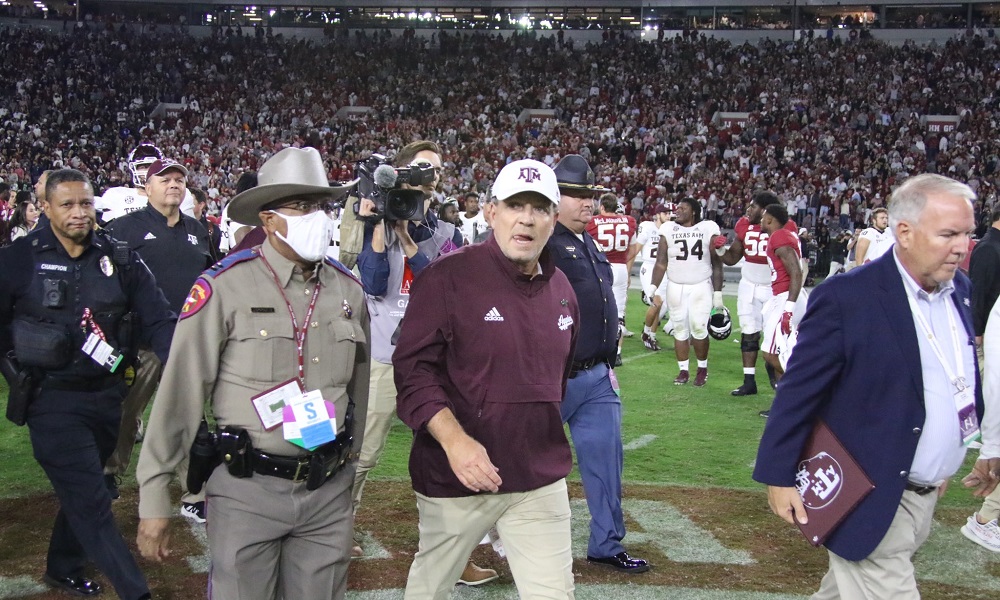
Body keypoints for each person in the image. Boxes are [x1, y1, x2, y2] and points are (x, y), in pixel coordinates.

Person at [135, 147, 368, 600]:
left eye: (321, 205)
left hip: (326, 488)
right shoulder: (225, 285)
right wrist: (155, 499)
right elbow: (180, 395)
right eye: (301, 206)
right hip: (248, 490)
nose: (316, 217)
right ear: (268, 219)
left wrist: (348, 469)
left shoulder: (347, 288)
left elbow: (357, 392)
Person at [754, 174, 993, 599]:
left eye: (967, 234)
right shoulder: (849, 296)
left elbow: (952, 376)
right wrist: (778, 475)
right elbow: (800, 390)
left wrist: (954, 450)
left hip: (921, 488)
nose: (962, 246)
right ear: (905, 232)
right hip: (867, 486)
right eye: (948, 234)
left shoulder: (960, 288)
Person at [395, 159, 579, 598]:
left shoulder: (563, 291)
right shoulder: (447, 277)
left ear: (554, 219)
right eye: (516, 204)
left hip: (538, 477)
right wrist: (456, 442)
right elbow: (413, 371)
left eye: (539, 208)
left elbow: (560, 380)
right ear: (492, 211)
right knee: (430, 591)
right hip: (456, 477)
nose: (527, 218)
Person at [0, 168, 174, 599]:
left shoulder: (121, 258)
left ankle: (62, 566)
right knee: (95, 502)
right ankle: (137, 592)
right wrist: (14, 369)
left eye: (85, 203)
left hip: (107, 396)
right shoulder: (19, 258)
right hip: (49, 400)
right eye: (67, 204)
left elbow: (160, 320)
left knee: (86, 489)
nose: (79, 213)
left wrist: (186, 368)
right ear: (46, 208)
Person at [351, 140, 494, 582]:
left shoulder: (449, 230)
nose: (427, 177)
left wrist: (410, 240)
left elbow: (448, 284)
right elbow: (372, 285)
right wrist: (380, 227)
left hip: (433, 359)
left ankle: (457, 554)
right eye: (418, 169)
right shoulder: (375, 219)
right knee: (363, 453)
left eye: (433, 169)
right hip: (381, 353)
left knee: (445, 454)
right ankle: (334, 529)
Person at [547, 154, 648, 573]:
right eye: (578, 195)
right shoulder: (542, 238)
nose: (589, 203)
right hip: (552, 378)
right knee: (519, 461)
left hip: (598, 375)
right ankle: (488, 537)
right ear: (555, 198)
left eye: (591, 195)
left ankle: (606, 544)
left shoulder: (585, 240)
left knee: (606, 464)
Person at [104, 157, 214, 518]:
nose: (174, 185)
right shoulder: (124, 228)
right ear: (146, 188)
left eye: (179, 180)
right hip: (142, 343)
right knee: (123, 411)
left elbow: (209, 280)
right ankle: (107, 474)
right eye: (165, 179)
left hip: (186, 342)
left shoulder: (198, 230)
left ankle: (194, 493)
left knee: (188, 416)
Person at [715, 191, 793, 396]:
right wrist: (721, 250)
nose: (748, 210)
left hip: (774, 289)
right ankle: (749, 381)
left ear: (766, 211)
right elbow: (732, 258)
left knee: (774, 338)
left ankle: (779, 382)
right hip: (748, 285)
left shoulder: (784, 227)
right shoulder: (743, 225)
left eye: (753, 206)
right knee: (749, 332)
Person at [649, 196, 725, 387]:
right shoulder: (668, 228)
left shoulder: (707, 227)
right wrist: (652, 286)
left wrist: (718, 294)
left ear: (693, 212)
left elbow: (717, 263)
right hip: (675, 285)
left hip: (700, 284)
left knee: (698, 327)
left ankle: (702, 368)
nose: (678, 211)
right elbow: (661, 261)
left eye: (683, 208)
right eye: (678, 208)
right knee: (680, 329)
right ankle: (683, 370)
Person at [963, 202, 1000, 550]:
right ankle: (987, 517)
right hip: (988, 334)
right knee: (985, 388)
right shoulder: (989, 248)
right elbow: (980, 293)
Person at [757, 204, 808, 412]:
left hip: (787, 297)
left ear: (769, 219)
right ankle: (784, 406)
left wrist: (788, 308)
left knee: (770, 354)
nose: (760, 222)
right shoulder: (787, 234)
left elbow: (796, 272)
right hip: (787, 297)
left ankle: (806, 394)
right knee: (781, 352)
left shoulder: (779, 236)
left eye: (763, 218)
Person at [587, 193, 638, 366]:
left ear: (601, 207)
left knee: (596, 309)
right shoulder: (629, 221)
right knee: (620, 312)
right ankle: (617, 352)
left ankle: (596, 348)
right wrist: (622, 259)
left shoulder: (592, 222)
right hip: (620, 267)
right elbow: (633, 249)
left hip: (600, 267)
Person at [638, 204, 674, 351]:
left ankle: (652, 335)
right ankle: (646, 333)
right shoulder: (647, 227)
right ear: (657, 214)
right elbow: (636, 248)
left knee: (661, 306)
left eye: (669, 213)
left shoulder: (671, 229)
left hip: (664, 269)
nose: (668, 216)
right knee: (656, 302)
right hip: (649, 267)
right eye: (665, 213)